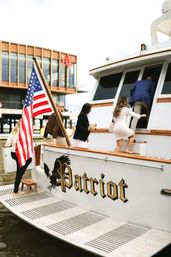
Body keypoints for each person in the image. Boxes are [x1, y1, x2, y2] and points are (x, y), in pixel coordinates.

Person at [3, 120, 32, 195]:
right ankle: (16, 191)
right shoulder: (23, 132)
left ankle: (20, 176)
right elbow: (29, 144)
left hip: (14, 153)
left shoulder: (14, 131)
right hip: (19, 154)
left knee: (28, 161)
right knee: (27, 162)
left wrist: (6, 145)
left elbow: (8, 142)